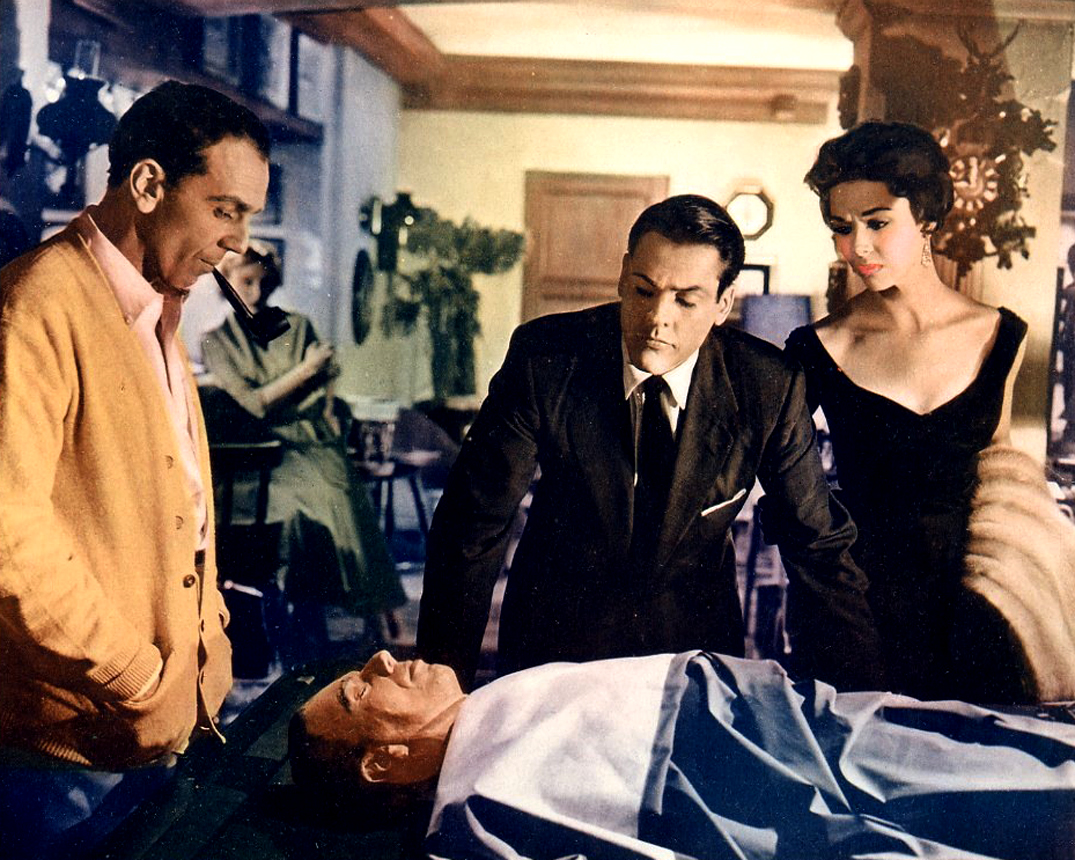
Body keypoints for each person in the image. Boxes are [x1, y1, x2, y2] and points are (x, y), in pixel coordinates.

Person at [417, 193, 884, 693]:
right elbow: (472, 526)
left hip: (693, 656)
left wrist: (858, 702)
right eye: (644, 290)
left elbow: (818, 547)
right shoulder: (545, 357)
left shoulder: (768, 384)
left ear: (723, 304)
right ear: (623, 276)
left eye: (686, 300)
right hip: (553, 648)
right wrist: (440, 686)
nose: (658, 317)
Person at [0, 80, 270, 858]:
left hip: (146, 735)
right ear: (148, 185)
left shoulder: (154, 310)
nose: (239, 242)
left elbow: (178, 507)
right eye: (225, 210)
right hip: (60, 757)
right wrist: (137, 679)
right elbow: (10, 536)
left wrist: (205, 649)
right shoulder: (36, 304)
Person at [290, 649, 1075, 860]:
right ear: (383, 761)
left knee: (999, 749)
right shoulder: (469, 819)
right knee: (1005, 797)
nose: (382, 659)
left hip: (780, 713)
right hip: (748, 785)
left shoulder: (487, 703)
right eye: (359, 690)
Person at [784, 121, 1030, 704]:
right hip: (860, 616)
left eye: (877, 223)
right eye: (842, 228)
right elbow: (789, 490)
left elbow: (1001, 487)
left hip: (977, 618)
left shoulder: (1001, 336)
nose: (858, 248)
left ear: (926, 220)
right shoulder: (819, 348)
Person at [201, 240, 406, 659]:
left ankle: (373, 616)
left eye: (263, 282)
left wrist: (318, 399)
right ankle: (309, 624)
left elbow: (325, 380)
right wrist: (305, 370)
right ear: (226, 283)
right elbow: (256, 404)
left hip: (314, 439)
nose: (255, 291)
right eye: (245, 281)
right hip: (266, 450)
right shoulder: (216, 342)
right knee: (310, 507)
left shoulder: (297, 325)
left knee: (340, 497)